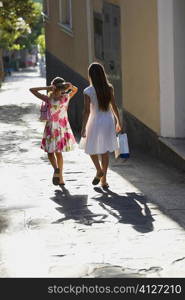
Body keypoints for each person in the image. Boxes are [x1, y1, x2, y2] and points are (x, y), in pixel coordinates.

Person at [29, 77, 78, 185]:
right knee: (58, 153)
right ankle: (60, 177)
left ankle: (56, 169)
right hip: (62, 127)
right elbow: (75, 89)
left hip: (51, 127)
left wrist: (47, 87)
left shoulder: (48, 98)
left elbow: (32, 90)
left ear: (53, 86)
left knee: (50, 152)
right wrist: (70, 85)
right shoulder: (66, 97)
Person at [81, 62, 122, 188]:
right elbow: (114, 106)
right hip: (108, 120)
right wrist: (119, 121)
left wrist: (83, 127)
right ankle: (104, 180)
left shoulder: (88, 91)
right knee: (104, 151)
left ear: (91, 75)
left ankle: (99, 170)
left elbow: (87, 111)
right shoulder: (109, 88)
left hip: (94, 120)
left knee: (90, 147)